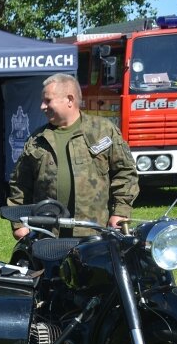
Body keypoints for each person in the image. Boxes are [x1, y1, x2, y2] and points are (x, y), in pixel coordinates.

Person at [8, 73, 139, 239]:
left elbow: (125, 173)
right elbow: (20, 184)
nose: (42, 106)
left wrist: (120, 212)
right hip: (48, 235)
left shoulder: (102, 131)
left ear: (69, 100)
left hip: (95, 233)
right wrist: (19, 224)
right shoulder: (37, 139)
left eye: (48, 100)